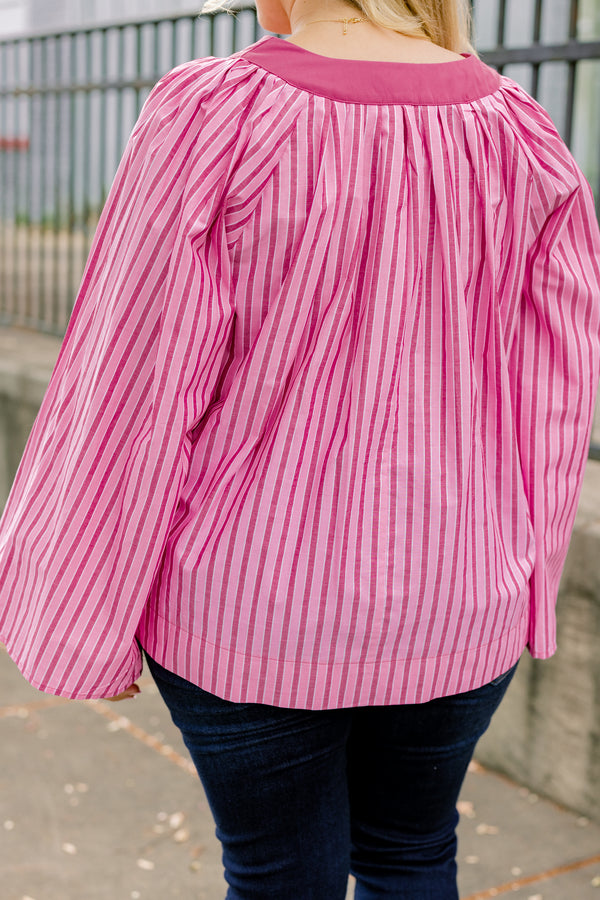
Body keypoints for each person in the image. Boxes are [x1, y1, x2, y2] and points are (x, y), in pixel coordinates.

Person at [1, 0, 599, 896]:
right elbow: (557, 394)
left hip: (245, 601)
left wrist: (92, 617)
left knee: (278, 877)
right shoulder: (523, 134)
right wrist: (525, 587)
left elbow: (132, 382)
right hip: (463, 595)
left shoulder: (216, 115)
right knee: (414, 853)